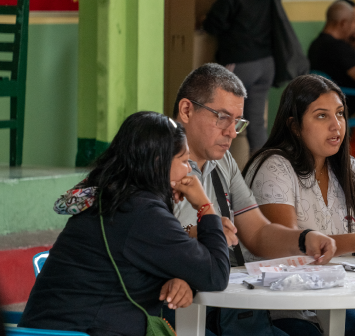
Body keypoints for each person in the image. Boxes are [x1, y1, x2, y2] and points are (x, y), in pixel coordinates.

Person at [19, 112, 230, 335]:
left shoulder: (111, 195)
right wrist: (205, 207)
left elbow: (133, 260)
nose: (189, 170)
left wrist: (179, 276)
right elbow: (215, 274)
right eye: (184, 160)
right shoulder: (141, 213)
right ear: (158, 163)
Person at [171, 64, 337, 334]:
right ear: (187, 110)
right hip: (176, 307)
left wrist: (304, 238)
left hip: (225, 305)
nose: (232, 132)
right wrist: (195, 234)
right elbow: (145, 241)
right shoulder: (156, 164)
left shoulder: (224, 162)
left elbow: (258, 232)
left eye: (237, 121)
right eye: (222, 117)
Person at [243, 74, 355, 336]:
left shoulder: (347, 166)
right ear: (294, 126)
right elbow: (286, 246)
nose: (335, 125)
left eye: (339, 114)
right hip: (282, 303)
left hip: (335, 298)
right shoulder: (274, 166)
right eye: (321, 116)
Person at [203, 0, 281, 152]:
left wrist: (204, 20)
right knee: (256, 123)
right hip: (267, 63)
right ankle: (264, 177)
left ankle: (218, 175)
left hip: (241, 64)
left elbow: (214, 23)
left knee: (222, 119)